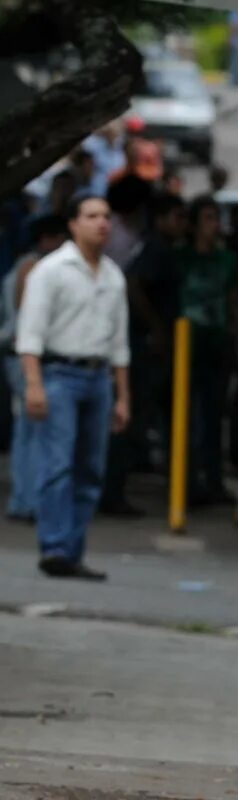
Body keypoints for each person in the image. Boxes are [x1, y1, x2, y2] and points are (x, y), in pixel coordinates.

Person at [13, 193, 131, 579]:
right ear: (74, 224)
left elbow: (119, 344)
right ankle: (56, 546)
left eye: (106, 216)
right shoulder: (51, 270)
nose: (102, 223)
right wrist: (34, 384)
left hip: (98, 377)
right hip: (60, 374)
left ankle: (73, 549)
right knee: (58, 465)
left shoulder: (113, 276)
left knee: (90, 469)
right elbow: (30, 333)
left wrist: (122, 395)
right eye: (92, 216)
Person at [112, 192, 186, 516]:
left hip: (151, 344)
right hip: (146, 347)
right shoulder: (156, 248)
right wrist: (155, 327)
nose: (182, 225)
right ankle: (114, 490)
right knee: (133, 418)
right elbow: (135, 284)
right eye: (177, 217)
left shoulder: (157, 247)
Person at [175, 196, 238, 506]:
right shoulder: (180, 258)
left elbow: (234, 303)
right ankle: (185, 482)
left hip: (216, 345)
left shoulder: (227, 260)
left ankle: (213, 481)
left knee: (214, 417)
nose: (213, 226)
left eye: (216, 219)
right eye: (207, 218)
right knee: (185, 418)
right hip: (185, 348)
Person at [1, 214, 69, 522]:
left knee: (28, 429)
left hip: (22, 353)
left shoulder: (31, 265)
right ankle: (26, 500)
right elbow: (28, 319)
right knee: (31, 429)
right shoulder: (33, 267)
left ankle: (25, 499)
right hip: (23, 354)